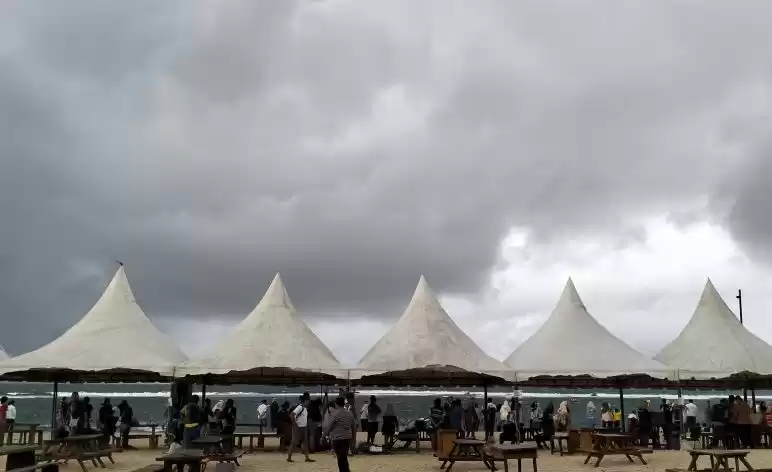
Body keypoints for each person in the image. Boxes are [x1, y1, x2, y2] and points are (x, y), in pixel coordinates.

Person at [323, 397, 356, 472]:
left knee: (341, 458)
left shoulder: (335, 413)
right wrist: (354, 439)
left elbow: (328, 426)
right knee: (344, 457)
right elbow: (354, 427)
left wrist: (323, 436)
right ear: (344, 404)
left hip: (337, 439)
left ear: (336, 404)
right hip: (347, 438)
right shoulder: (349, 413)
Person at [287, 395, 314, 463]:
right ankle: (289, 457)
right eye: (308, 401)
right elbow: (292, 415)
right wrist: (295, 425)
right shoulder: (300, 407)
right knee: (294, 442)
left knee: (305, 443)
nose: (308, 402)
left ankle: (307, 458)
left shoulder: (305, 408)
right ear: (305, 401)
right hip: (298, 428)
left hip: (304, 427)